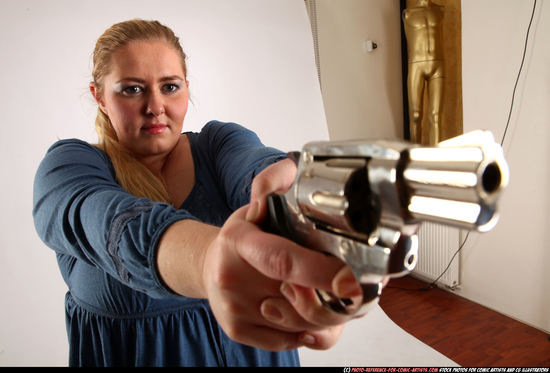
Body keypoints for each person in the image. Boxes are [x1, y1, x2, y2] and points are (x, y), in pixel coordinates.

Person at [32, 19, 362, 367]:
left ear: (187, 88)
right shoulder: (68, 167)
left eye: (170, 87)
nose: (155, 106)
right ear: (99, 96)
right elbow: (112, 223)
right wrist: (212, 263)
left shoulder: (220, 143)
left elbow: (258, 166)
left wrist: (300, 195)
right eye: (132, 89)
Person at [403, 0, 445, 145]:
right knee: (415, 115)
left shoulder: (440, 10)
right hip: (416, 66)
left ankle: (437, 159)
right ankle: (414, 155)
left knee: (436, 116)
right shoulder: (408, 14)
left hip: (437, 64)